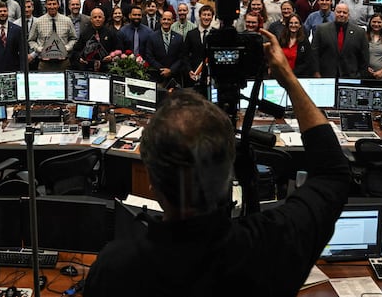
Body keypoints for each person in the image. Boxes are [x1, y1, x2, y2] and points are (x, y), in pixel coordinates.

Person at [85, 29, 351, 296]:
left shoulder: (115, 269)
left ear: (152, 181)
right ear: (229, 171)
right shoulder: (271, 245)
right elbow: (332, 175)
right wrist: (289, 79)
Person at [311, 3, 369, 78]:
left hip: (351, 76)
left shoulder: (360, 32)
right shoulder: (321, 29)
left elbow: (364, 57)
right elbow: (314, 53)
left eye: (344, 12)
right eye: (339, 12)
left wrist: (360, 75)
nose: (341, 14)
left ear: (348, 14)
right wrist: (316, 72)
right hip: (326, 76)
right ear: (334, 13)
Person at [27, 0, 77, 72]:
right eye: (49, 4)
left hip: (63, 63)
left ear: (58, 5)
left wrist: (67, 48)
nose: (52, 6)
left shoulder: (67, 20)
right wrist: (39, 49)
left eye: (54, 4)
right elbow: (31, 40)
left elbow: (74, 38)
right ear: (46, 5)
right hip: (45, 64)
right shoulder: (38, 22)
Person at [71, 8, 120, 72]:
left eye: (100, 17)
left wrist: (111, 56)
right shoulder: (85, 33)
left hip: (107, 67)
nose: (97, 19)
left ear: (103, 19)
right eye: (95, 17)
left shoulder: (111, 32)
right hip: (88, 67)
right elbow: (76, 51)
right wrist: (80, 58)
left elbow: (118, 49)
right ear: (91, 19)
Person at [144, 9, 184, 84]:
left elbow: (181, 57)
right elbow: (149, 56)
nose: (166, 21)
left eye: (169, 19)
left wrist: (171, 70)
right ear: (160, 20)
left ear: (173, 21)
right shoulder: (152, 36)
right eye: (164, 19)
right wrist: (161, 69)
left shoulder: (179, 37)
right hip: (156, 75)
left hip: (174, 76)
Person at [182, 5, 215, 90]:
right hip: (194, 75)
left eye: (209, 15)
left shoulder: (216, 34)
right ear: (200, 16)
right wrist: (189, 70)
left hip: (211, 76)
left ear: (212, 17)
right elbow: (184, 55)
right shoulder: (191, 34)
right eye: (204, 15)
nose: (206, 17)